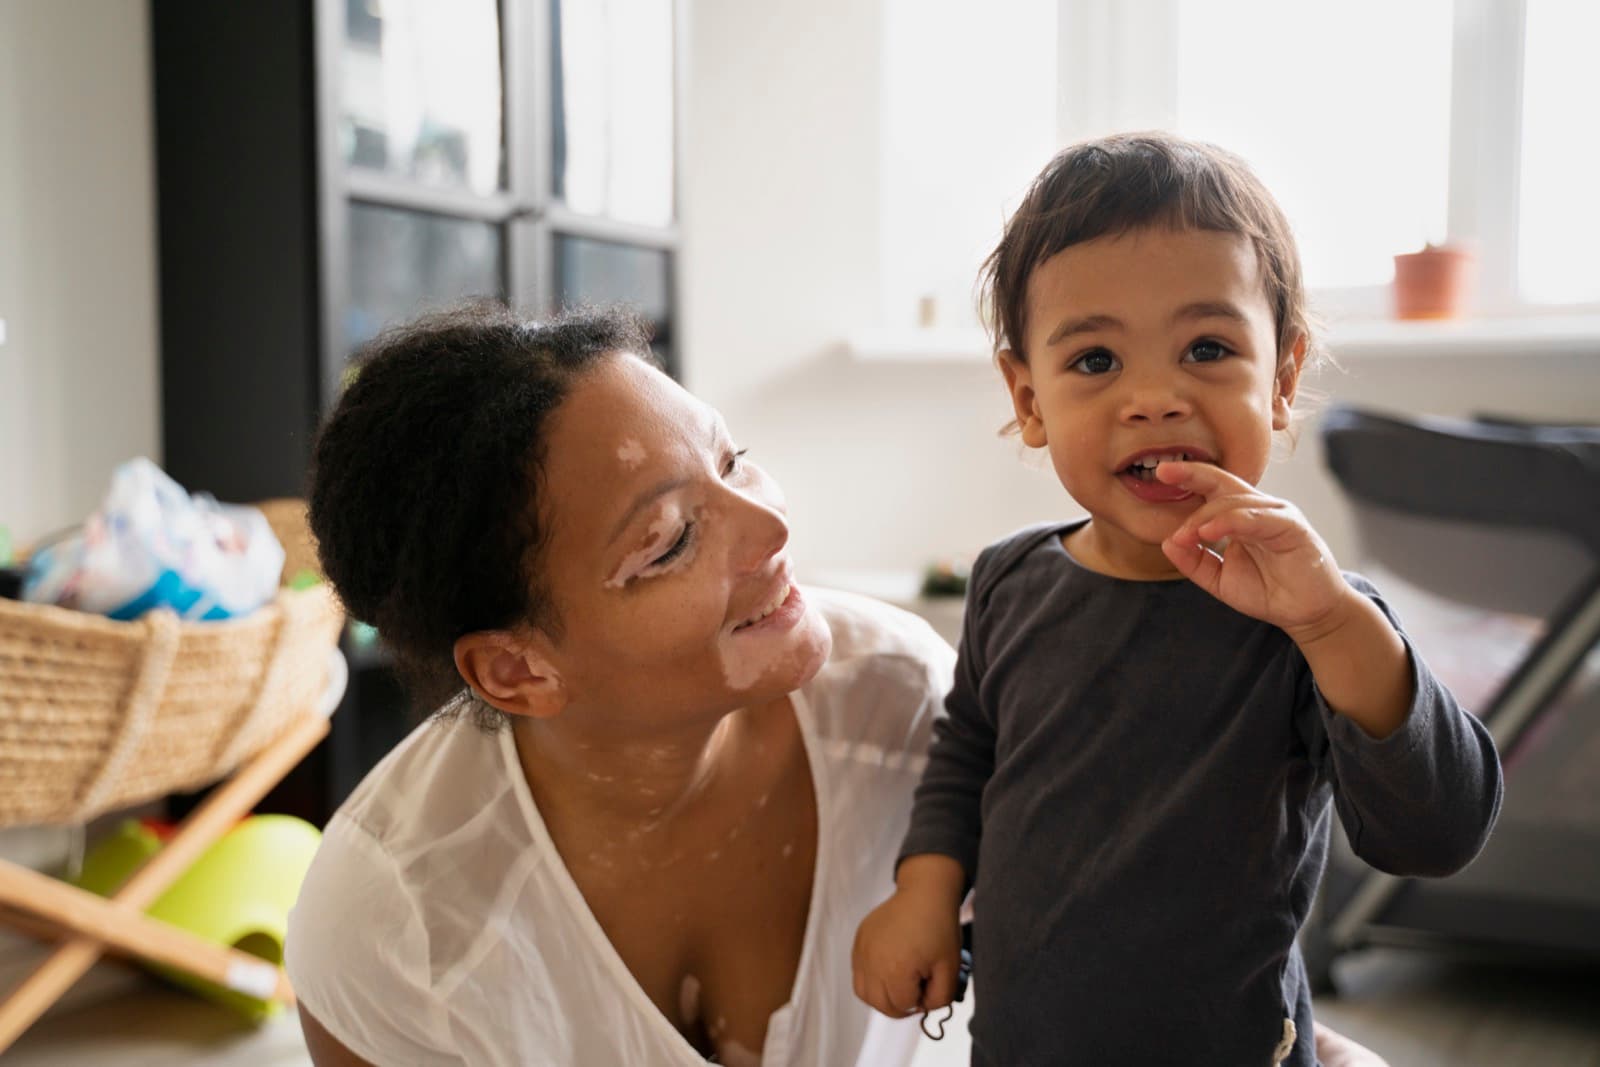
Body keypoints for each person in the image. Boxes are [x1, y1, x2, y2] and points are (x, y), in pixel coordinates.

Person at [850, 132, 1504, 1066]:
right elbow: (967, 756)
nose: (1153, 397)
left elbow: (1436, 832)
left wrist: (1329, 624)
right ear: (1028, 397)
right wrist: (923, 889)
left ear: (1280, 379)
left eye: (1207, 347)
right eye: (1094, 362)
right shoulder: (1009, 580)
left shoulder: (1309, 615)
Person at [283, 303, 956, 1066]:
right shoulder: (397, 926)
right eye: (670, 541)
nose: (771, 529)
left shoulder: (907, 706)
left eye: (733, 461)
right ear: (518, 669)